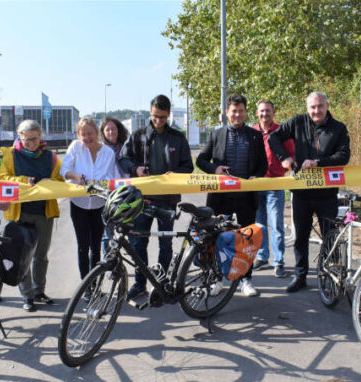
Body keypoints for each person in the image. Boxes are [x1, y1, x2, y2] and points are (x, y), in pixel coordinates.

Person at [268, 92, 351, 293]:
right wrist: (284, 158)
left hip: (327, 193)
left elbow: (344, 156)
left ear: (327, 105)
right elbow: (273, 138)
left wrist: (318, 163)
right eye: (312, 107)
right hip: (301, 193)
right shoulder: (297, 122)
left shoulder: (338, 128)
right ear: (307, 108)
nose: (316, 111)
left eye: (320, 106)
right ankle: (300, 276)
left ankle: (331, 275)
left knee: (330, 237)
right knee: (301, 237)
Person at [119, 94, 193, 299]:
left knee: (165, 243)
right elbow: (123, 159)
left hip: (167, 201)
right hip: (141, 200)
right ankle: (140, 283)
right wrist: (136, 169)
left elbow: (189, 166)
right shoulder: (138, 135)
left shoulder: (178, 137)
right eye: (154, 116)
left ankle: (162, 284)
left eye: (161, 117)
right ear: (150, 112)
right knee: (138, 243)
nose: (157, 120)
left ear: (168, 114)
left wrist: (176, 174)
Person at [196, 94, 268, 297]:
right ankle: (216, 279)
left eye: (241, 111)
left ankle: (246, 279)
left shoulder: (255, 136)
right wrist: (214, 168)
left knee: (247, 239)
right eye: (233, 111)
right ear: (227, 112)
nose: (237, 114)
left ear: (246, 112)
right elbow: (201, 160)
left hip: (246, 196)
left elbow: (263, 164)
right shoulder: (216, 134)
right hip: (221, 197)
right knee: (215, 238)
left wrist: (257, 175)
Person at [0, 120, 63, 312]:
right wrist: (23, 181)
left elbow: (60, 180)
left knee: (41, 256)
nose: (31, 144)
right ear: (19, 136)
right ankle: (27, 296)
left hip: (44, 213)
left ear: (40, 137)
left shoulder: (51, 157)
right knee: (22, 256)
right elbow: (3, 178)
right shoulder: (10, 155)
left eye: (34, 139)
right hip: (20, 213)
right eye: (26, 140)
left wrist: (50, 182)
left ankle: (39, 291)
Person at [61, 117, 118, 280]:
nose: (87, 137)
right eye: (83, 134)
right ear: (79, 135)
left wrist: (99, 184)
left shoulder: (108, 152)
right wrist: (75, 176)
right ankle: (85, 285)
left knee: (96, 247)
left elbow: (111, 176)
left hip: (99, 204)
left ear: (96, 132)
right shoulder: (75, 147)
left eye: (90, 133)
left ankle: (94, 283)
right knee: (82, 247)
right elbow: (64, 169)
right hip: (79, 204)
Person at [251, 99, 296, 278]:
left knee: (276, 225)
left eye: (268, 111)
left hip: (275, 185)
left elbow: (291, 156)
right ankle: (262, 257)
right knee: (260, 225)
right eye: (262, 111)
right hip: (256, 185)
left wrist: (285, 168)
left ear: (273, 112)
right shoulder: (251, 132)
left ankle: (279, 262)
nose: (265, 114)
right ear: (257, 113)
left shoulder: (281, 132)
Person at [100, 116, 130, 254]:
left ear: (119, 130)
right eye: (107, 130)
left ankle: (122, 262)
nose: (111, 132)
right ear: (103, 132)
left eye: (113, 129)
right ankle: (110, 264)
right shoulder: (100, 150)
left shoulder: (127, 147)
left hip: (126, 195)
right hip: (107, 198)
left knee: (127, 233)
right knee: (108, 234)